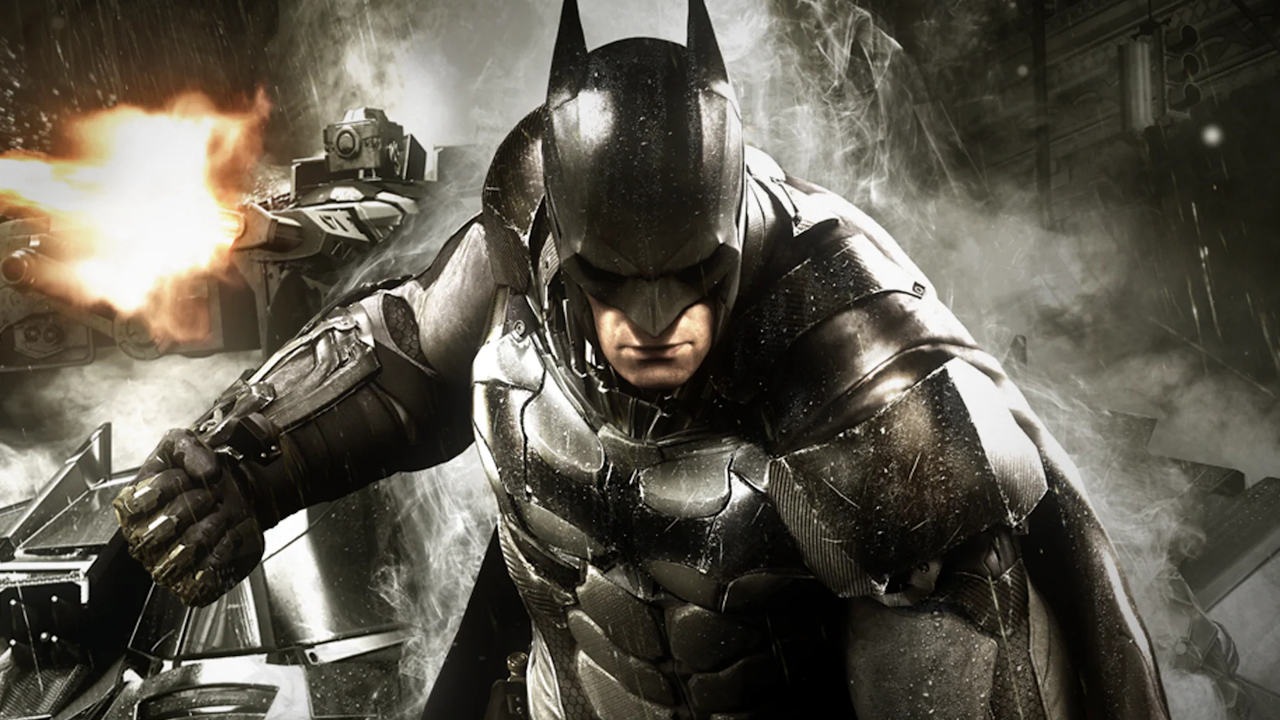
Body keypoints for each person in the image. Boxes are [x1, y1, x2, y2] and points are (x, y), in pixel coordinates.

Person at [114, 2, 1171, 717]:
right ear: (558, 253)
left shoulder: (847, 341)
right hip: (564, 698)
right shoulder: (517, 241)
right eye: (614, 284)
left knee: (943, 577)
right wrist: (240, 467)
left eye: (693, 280)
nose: (657, 323)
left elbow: (991, 615)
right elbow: (401, 359)